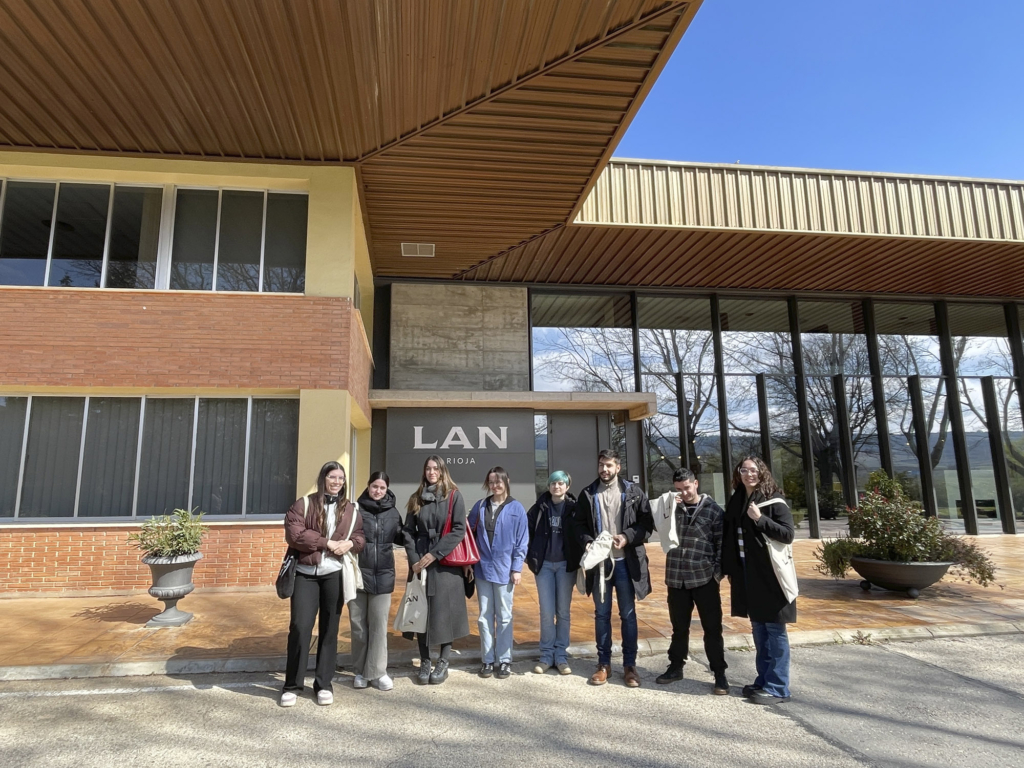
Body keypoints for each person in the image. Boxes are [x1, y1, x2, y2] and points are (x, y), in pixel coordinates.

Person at [281, 461, 365, 707]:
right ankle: (292, 685)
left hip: (334, 575)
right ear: (323, 478)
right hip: (305, 573)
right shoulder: (304, 503)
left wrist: (350, 544)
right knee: (300, 627)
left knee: (330, 629)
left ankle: (323, 684)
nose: (337, 482)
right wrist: (327, 543)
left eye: (341, 478)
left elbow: (360, 536)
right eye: (332, 477)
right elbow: (294, 534)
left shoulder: (350, 509)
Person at [573, 449, 654, 688]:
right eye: (601, 465)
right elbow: (577, 524)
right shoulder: (588, 493)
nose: (604, 470)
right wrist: (587, 540)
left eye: (609, 465)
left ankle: (630, 666)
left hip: (625, 563)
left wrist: (628, 537)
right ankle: (603, 664)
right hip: (600, 565)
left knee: (628, 615)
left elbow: (647, 524)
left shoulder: (633, 492)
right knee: (601, 614)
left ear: (618, 468)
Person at [721, 455, 796, 704]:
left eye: (753, 470)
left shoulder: (774, 501)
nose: (748, 474)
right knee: (759, 630)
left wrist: (760, 519)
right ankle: (763, 680)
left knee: (775, 629)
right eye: (744, 470)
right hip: (747, 575)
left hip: (770, 576)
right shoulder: (738, 499)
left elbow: (787, 534)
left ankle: (778, 687)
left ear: (761, 472)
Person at [651, 467, 728, 694]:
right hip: (676, 577)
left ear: (695, 484)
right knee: (678, 628)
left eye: (686, 488)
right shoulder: (671, 508)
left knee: (712, 628)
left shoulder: (714, 511)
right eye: (678, 489)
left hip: (704, 578)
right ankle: (676, 666)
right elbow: (652, 518)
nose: (684, 493)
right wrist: (666, 503)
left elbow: (722, 545)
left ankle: (719, 673)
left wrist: (716, 574)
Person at [403, 455, 471, 685]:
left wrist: (435, 553)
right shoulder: (416, 498)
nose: (432, 472)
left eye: (436, 468)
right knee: (421, 612)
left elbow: (459, 529)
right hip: (420, 563)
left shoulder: (454, 496)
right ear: (424, 472)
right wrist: (414, 559)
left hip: (445, 562)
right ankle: (424, 660)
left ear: (442, 471)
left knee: (445, 614)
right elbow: (408, 532)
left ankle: (443, 661)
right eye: (428, 469)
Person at [468, 467, 529, 679]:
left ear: (507, 481)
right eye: (492, 482)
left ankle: (504, 660)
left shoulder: (516, 508)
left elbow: (522, 541)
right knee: (484, 616)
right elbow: (469, 533)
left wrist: (517, 568)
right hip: (483, 569)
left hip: (505, 571)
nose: (495, 485)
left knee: (504, 616)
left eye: (499, 481)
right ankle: (487, 659)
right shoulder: (480, 506)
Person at [349, 471, 407, 691]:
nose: (378, 491)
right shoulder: (355, 510)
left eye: (382, 488)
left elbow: (402, 536)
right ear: (368, 486)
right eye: (375, 486)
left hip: (383, 575)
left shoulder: (393, 512)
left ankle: (378, 671)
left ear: (387, 490)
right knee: (358, 626)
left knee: (379, 626)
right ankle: (361, 672)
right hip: (358, 576)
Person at [525, 470, 580, 675]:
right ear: (548, 486)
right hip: (545, 567)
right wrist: (530, 557)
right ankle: (546, 655)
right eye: (553, 483)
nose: (557, 486)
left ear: (567, 486)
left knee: (563, 612)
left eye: (561, 483)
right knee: (547, 612)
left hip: (566, 567)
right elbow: (526, 533)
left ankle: (561, 656)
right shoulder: (539, 508)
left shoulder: (574, 509)